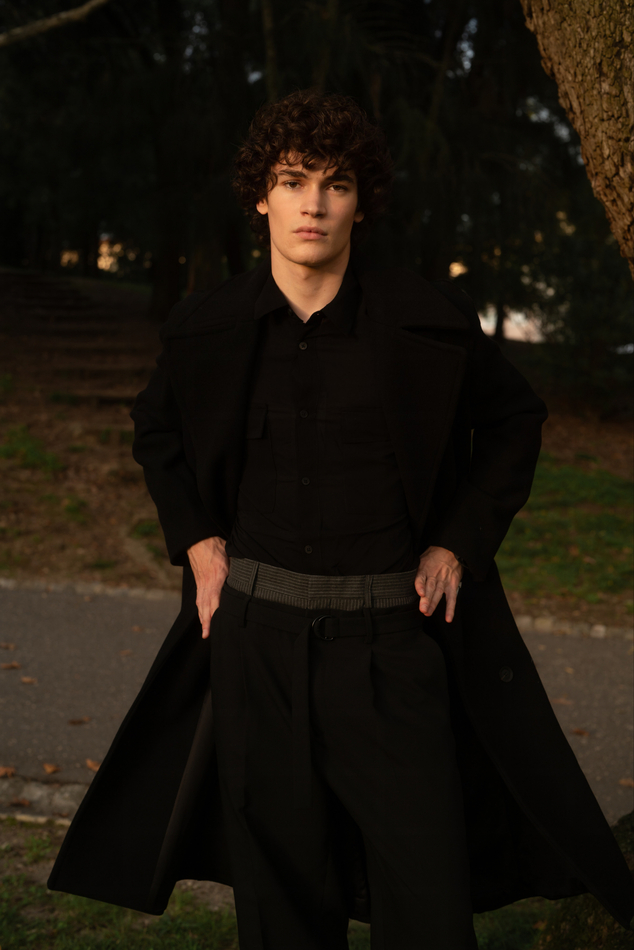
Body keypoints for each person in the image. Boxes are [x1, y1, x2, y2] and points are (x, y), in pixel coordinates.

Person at [48, 90, 633, 948]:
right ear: (261, 197)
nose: (314, 204)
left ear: (363, 200)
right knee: (280, 906)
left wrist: (457, 543)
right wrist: (198, 543)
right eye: (293, 181)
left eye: (337, 183)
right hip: (255, 649)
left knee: (427, 900)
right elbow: (156, 428)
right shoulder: (207, 327)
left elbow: (516, 421)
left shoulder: (427, 322)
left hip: (391, 649)